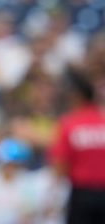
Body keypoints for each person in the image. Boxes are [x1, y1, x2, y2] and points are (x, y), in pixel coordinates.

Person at [49, 71, 105, 223]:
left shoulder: (70, 124)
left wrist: (51, 198)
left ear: (77, 97)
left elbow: (60, 164)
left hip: (82, 195)